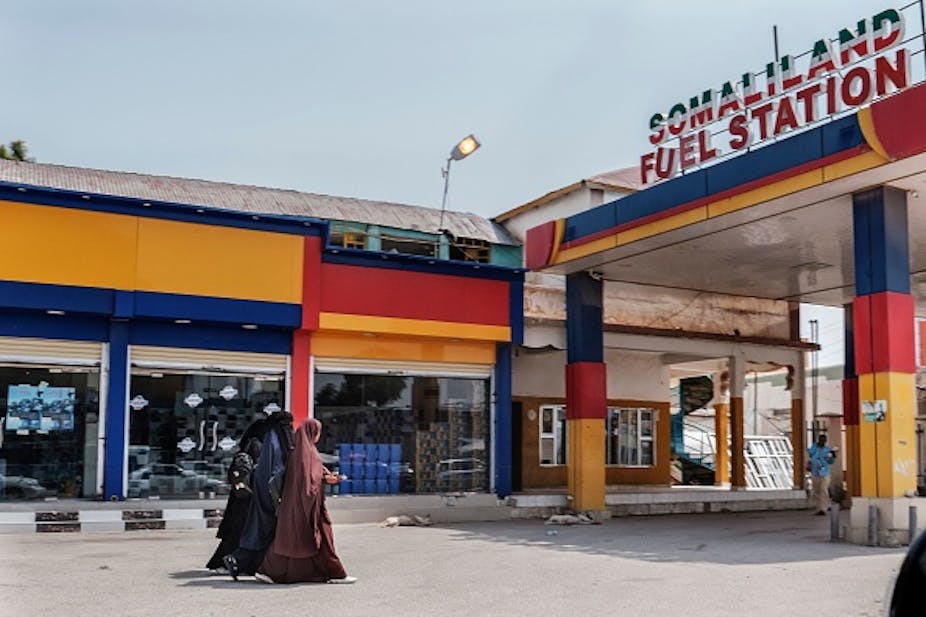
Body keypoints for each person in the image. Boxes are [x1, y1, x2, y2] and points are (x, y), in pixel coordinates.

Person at [257, 418, 356, 584]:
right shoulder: (308, 454)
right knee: (323, 539)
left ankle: (268, 571)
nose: (318, 435)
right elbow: (310, 481)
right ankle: (336, 574)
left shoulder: (298, 452)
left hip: (294, 505)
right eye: (317, 432)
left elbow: (311, 476)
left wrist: (325, 477)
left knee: (289, 539)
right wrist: (327, 479)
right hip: (308, 505)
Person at [222, 410, 294, 580]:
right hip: (271, 494)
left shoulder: (270, 438)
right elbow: (277, 470)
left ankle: (241, 561)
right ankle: (246, 562)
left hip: (263, 492)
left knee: (260, 529)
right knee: (267, 530)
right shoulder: (276, 440)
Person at [808, 433, 837, 515]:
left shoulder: (827, 450)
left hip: (825, 472)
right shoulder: (814, 447)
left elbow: (831, 461)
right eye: (821, 440)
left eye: (824, 440)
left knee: (824, 489)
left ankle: (823, 508)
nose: (822, 442)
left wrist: (833, 456)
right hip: (815, 472)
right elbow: (810, 454)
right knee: (816, 490)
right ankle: (818, 507)